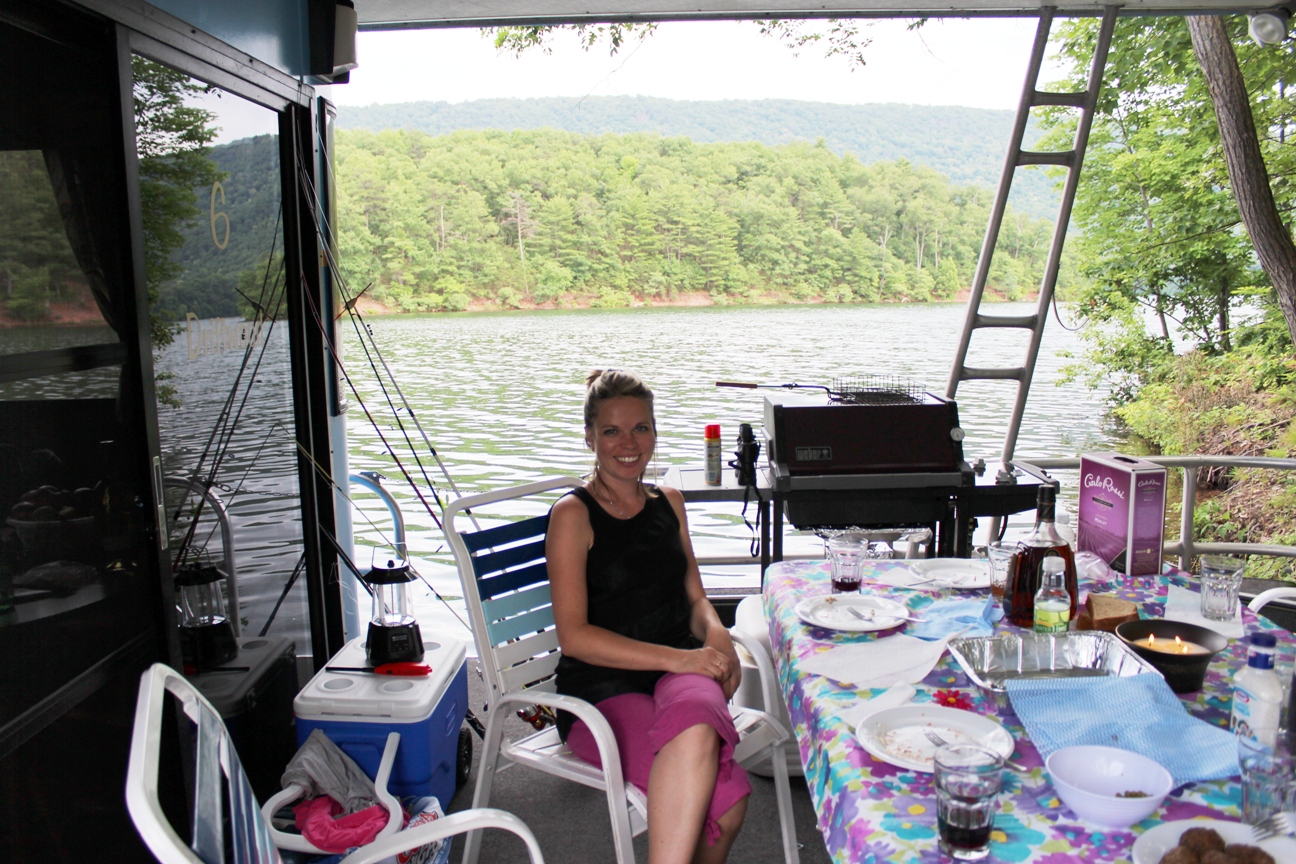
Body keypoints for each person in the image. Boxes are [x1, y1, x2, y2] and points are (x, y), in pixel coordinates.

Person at [545, 369, 749, 864]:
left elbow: (695, 598)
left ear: (655, 432)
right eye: (612, 431)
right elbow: (574, 637)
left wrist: (717, 634)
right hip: (602, 688)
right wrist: (681, 660)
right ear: (590, 437)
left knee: (722, 796)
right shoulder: (573, 515)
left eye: (641, 428)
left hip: (679, 669)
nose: (628, 443)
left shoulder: (669, 503)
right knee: (725, 802)